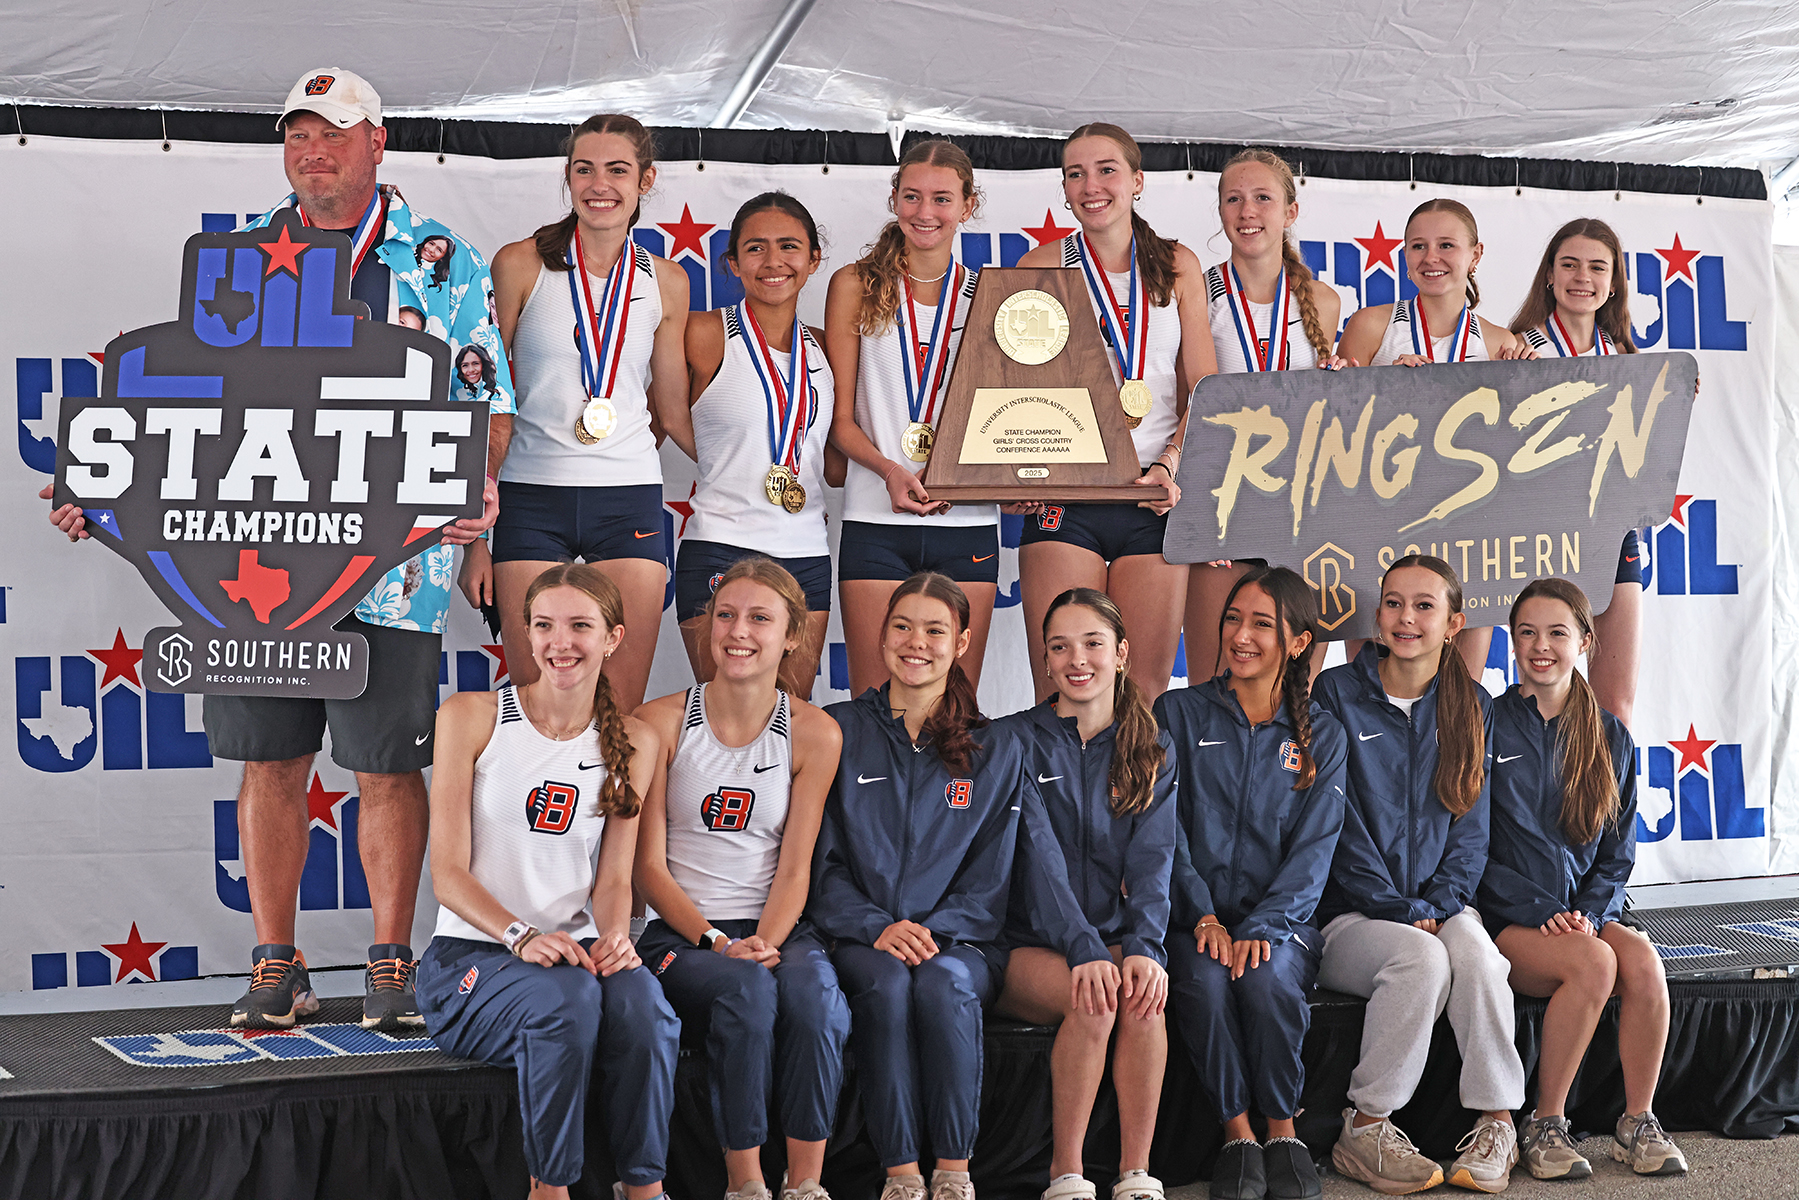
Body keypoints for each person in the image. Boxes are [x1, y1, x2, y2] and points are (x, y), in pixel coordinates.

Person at [48, 67, 513, 1031]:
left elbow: (486, 401)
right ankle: (276, 964)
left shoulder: (439, 259)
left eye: (332, 134)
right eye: (298, 135)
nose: (312, 152)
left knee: (386, 763)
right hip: (255, 557)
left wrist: (476, 486)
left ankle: (389, 964)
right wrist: (104, 481)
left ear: (376, 142)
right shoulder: (247, 252)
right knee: (269, 761)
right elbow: (187, 393)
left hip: (396, 562)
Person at [416, 563, 677, 1200]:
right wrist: (519, 934)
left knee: (646, 1009)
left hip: (573, 957)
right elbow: (448, 874)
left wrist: (616, 939)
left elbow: (615, 879)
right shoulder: (473, 717)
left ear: (613, 637)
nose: (561, 642)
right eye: (543, 626)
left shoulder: (636, 743)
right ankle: (549, 1189)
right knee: (569, 1002)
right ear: (526, 637)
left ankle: (644, 1189)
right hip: (471, 962)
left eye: (580, 626)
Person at [810, 572, 1035, 1200]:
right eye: (902, 626)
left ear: (962, 642)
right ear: (880, 634)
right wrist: (875, 926)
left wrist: (932, 931)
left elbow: (993, 873)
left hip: (958, 941)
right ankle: (902, 1172)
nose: (917, 643)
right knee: (882, 985)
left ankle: (954, 1172)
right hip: (862, 933)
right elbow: (818, 864)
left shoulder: (995, 746)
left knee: (943, 984)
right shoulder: (840, 729)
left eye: (935, 630)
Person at [460, 113, 691, 711]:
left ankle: (618, 810)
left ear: (646, 179)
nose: (600, 184)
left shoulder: (666, 280)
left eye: (618, 170)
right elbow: (482, 395)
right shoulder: (520, 264)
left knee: (621, 704)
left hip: (628, 496)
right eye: (583, 169)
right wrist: (474, 540)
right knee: (536, 701)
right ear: (567, 178)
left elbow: (669, 406)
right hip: (529, 497)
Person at [633, 557, 849, 1200]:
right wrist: (717, 943)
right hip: (682, 934)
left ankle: (805, 1184)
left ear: (792, 635)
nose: (738, 631)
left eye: (760, 617)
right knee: (748, 994)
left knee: (818, 1004)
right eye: (725, 614)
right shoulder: (659, 721)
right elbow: (647, 868)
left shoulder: (815, 731)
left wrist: (768, 941)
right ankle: (745, 1184)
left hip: (776, 927)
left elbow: (795, 864)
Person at [1313, 555, 1525, 1196]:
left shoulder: (1472, 705)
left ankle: (1497, 1124)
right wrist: (1400, 908)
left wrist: (1442, 901)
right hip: (1351, 914)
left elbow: (1472, 828)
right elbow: (1334, 822)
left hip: (1440, 902)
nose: (1407, 618)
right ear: (1376, 616)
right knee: (1422, 961)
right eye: (1395, 604)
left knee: (1481, 959)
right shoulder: (1335, 695)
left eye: (1425, 606)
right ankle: (1365, 1126)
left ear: (1455, 622)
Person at [1481, 578, 1685, 1180]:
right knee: (1594, 963)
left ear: (1585, 641)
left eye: (1556, 633)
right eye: (1526, 634)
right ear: (1511, 643)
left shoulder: (1610, 734)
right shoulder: (1487, 723)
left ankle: (1637, 1121)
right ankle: (1546, 1123)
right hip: (1510, 919)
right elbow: (1469, 848)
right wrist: (1541, 906)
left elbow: (1618, 853)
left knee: (1643, 960)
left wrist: (1589, 914)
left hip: (1582, 917)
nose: (1540, 646)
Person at [1155, 567, 1347, 1200]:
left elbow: (1314, 850)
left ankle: (1282, 1131)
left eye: (1262, 624)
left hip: (1281, 923)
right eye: (1233, 618)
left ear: (1298, 642)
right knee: (1207, 985)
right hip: (1193, 920)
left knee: (1264, 981)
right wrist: (1204, 915)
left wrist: (1264, 926)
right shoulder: (1178, 711)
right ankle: (1238, 1134)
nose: (1240, 635)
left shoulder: (1321, 733)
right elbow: (1166, 830)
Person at [1015, 122, 1217, 703]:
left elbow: (1203, 387)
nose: (1091, 185)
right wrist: (1014, 471)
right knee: (1062, 689)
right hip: (1068, 496)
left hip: (1151, 495)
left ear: (1137, 180)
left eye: (1106, 170)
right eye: (1075, 174)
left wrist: (1172, 463)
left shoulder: (1176, 265)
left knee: (1143, 690)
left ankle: (1135, 798)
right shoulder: (1039, 266)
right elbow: (1012, 393)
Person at [995, 588, 1176, 1200]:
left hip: (1113, 937)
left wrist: (1146, 948)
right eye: (1060, 647)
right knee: (1094, 997)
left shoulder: (1149, 747)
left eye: (1094, 643)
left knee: (1142, 994)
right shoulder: (1015, 740)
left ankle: (1135, 1172)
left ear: (1122, 653)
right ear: (1044, 662)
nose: (1078, 659)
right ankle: (1065, 1174)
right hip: (1026, 945)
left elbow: (1155, 859)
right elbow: (1037, 861)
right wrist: (1081, 947)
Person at [825, 139, 999, 695]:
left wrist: (1000, 479)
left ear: (968, 206)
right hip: (875, 517)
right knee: (875, 704)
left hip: (969, 518)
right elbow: (841, 420)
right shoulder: (853, 284)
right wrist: (890, 471)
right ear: (894, 199)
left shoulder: (992, 295)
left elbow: (1005, 417)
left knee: (956, 707)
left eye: (943, 199)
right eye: (913, 197)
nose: (926, 213)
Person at [1335, 199, 1531, 681]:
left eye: (1447, 245)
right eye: (1418, 246)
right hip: (1379, 524)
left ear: (1475, 254)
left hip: (1471, 526)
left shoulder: (1501, 344)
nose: (1431, 258)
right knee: (1370, 690)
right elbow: (1335, 429)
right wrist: (1385, 393)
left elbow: (1518, 451)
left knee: (1460, 693)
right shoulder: (1371, 325)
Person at [1188, 150, 1343, 684]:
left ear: (1290, 212)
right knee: (1216, 683)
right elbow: (1189, 405)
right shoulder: (1195, 293)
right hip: (1224, 505)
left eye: (1262, 198)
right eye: (1233, 199)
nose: (1246, 210)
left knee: (1298, 684)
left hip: (1301, 506)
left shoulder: (1323, 300)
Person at [680, 192, 839, 699]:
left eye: (789, 246)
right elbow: (649, 424)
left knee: (791, 718)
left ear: (814, 259)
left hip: (805, 551)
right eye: (755, 248)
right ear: (732, 263)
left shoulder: (826, 345)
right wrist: (712, 456)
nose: (773, 262)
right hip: (720, 545)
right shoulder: (701, 333)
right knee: (722, 714)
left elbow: (834, 460)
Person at [1507, 220, 1646, 724]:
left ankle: (1605, 805)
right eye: (1568, 264)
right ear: (1549, 274)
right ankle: (1533, 802)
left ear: (1613, 282)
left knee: (1616, 703)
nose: (1581, 276)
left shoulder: (1630, 361)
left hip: (1611, 536)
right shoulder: (1515, 350)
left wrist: (1669, 406)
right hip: (1541, 533)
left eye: (1596, 267)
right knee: (1541, 697)